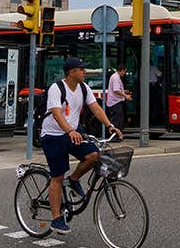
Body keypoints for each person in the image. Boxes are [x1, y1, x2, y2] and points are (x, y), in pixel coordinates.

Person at [40, 58, 123, 234]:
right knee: (57, 176)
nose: (84, 72)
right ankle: (56, 219)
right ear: (71, 72)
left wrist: (110, 126)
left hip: (73, 133)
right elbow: (56, 114)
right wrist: (70, 131)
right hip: (53, 136)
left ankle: (74, 179)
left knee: (94, 156)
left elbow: (96, 109)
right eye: (81, 69)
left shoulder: (84, 88)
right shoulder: (57, 88)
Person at [106, 66, 132, 130]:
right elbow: (116, 90)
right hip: (115, 102)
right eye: (124, 72)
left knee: (119, 119)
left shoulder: (116, 77)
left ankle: (117, 135)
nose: (124, 73)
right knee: (116, 120)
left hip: (116, 102)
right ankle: (115, 135)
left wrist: (124, 91)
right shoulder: (115, 78)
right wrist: (126, 96)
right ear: (121, 70)